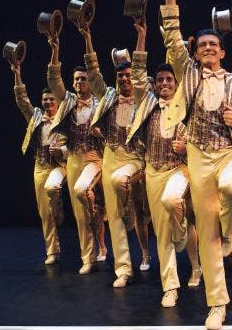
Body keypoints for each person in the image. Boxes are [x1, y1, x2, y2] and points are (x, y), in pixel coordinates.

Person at [159, 0, 232, 330]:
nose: (208, 48)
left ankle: (230, 227)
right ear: (197, 51)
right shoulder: (188, 74)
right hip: (197, 154)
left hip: (229, 153)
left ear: (222, 52)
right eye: (203, 44)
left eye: (213, 45)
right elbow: (174, 39)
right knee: (205, 232)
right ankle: (217, 305)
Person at [126, 18, 202, 307]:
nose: (165, 83)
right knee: (161, 235)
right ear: (155, 85)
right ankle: (170, 286)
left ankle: (192, 257)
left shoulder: (185, 103)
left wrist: (186, 148)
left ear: (176, 83)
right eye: (160, 80)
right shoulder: (147, 103)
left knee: (175, 204)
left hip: (180, 168)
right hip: (154, 170)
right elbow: (136, 74)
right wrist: (143, 36)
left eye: (169, 79)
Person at [81, 20, 150, 287]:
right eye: (120, 75)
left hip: (134, 158)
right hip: (111, 156)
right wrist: (87, 35)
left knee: (120, 183)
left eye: (128, 75)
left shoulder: (144, 98)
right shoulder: (109, 96)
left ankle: (129, 208)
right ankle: (124, 269)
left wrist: (141, 35)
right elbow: (93, 71)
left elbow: (142, 66)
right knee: (115, 218)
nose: (124, 79)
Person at [46, 33, 103, 275]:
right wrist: (55, 49)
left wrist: (88, 37)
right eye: (76, 79)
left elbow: (95, 69)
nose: (80, 82)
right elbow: (53, 78)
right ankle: (88, 257)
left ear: (90, 81)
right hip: (73, 159)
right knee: (81, 214)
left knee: (82, 191)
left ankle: (100, 231)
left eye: (83, 79)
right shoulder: (68, 102)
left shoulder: (101, 101)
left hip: (95, 158)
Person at [11, 55, 67, 266]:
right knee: (44, 213)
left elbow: (75, 141)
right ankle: (52, 250)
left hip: (60, 165)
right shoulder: (35, 116)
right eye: (45, 99)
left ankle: (58, 206)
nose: (47, 102)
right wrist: (17, 74)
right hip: (41, 165)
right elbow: (21, 100)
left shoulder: (64, 118)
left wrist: (61, 149)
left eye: (51, 99)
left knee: (53, 188)